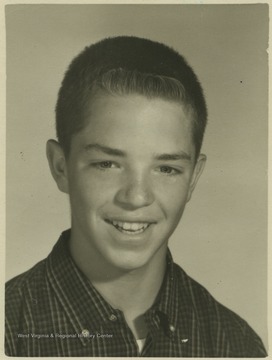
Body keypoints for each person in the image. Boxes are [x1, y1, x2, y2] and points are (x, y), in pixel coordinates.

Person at [5, 36, 267, 357]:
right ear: (61, 167)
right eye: (107, 164)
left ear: (193, 179)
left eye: (167, 168)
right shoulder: (7, 330)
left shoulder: (236, 345)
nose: (137, 196)